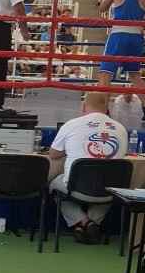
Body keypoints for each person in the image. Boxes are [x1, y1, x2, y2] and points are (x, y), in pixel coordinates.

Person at [49, 92, 128, 244]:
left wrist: (72, 148)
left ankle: (83, 222)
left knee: (54, 185)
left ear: (84, 106)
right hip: (108, 189)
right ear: (107, 108)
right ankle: (93, 224)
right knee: (111, 190)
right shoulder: (121, 129)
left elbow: (53, 154)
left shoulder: (72, 124)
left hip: (77, 186)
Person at [97, 0, 145, 96]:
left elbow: (102, 8)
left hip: (119, 35)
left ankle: (103, 110)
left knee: (105, 74)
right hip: (136, 37)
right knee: (134, 75)